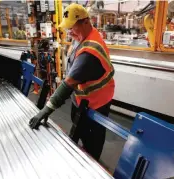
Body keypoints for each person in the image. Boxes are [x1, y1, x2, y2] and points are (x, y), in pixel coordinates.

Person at [29, 3, 115, 161]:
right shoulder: (82, 35)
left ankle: (92, 165)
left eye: (72, 27)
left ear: (85, 22)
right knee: (79, 131)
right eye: (67, 28)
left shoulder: (90, 53)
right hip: (81, 98)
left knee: (92, 140)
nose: (69, 32)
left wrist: (46, 110)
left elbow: (68, 83)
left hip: (96, 103)